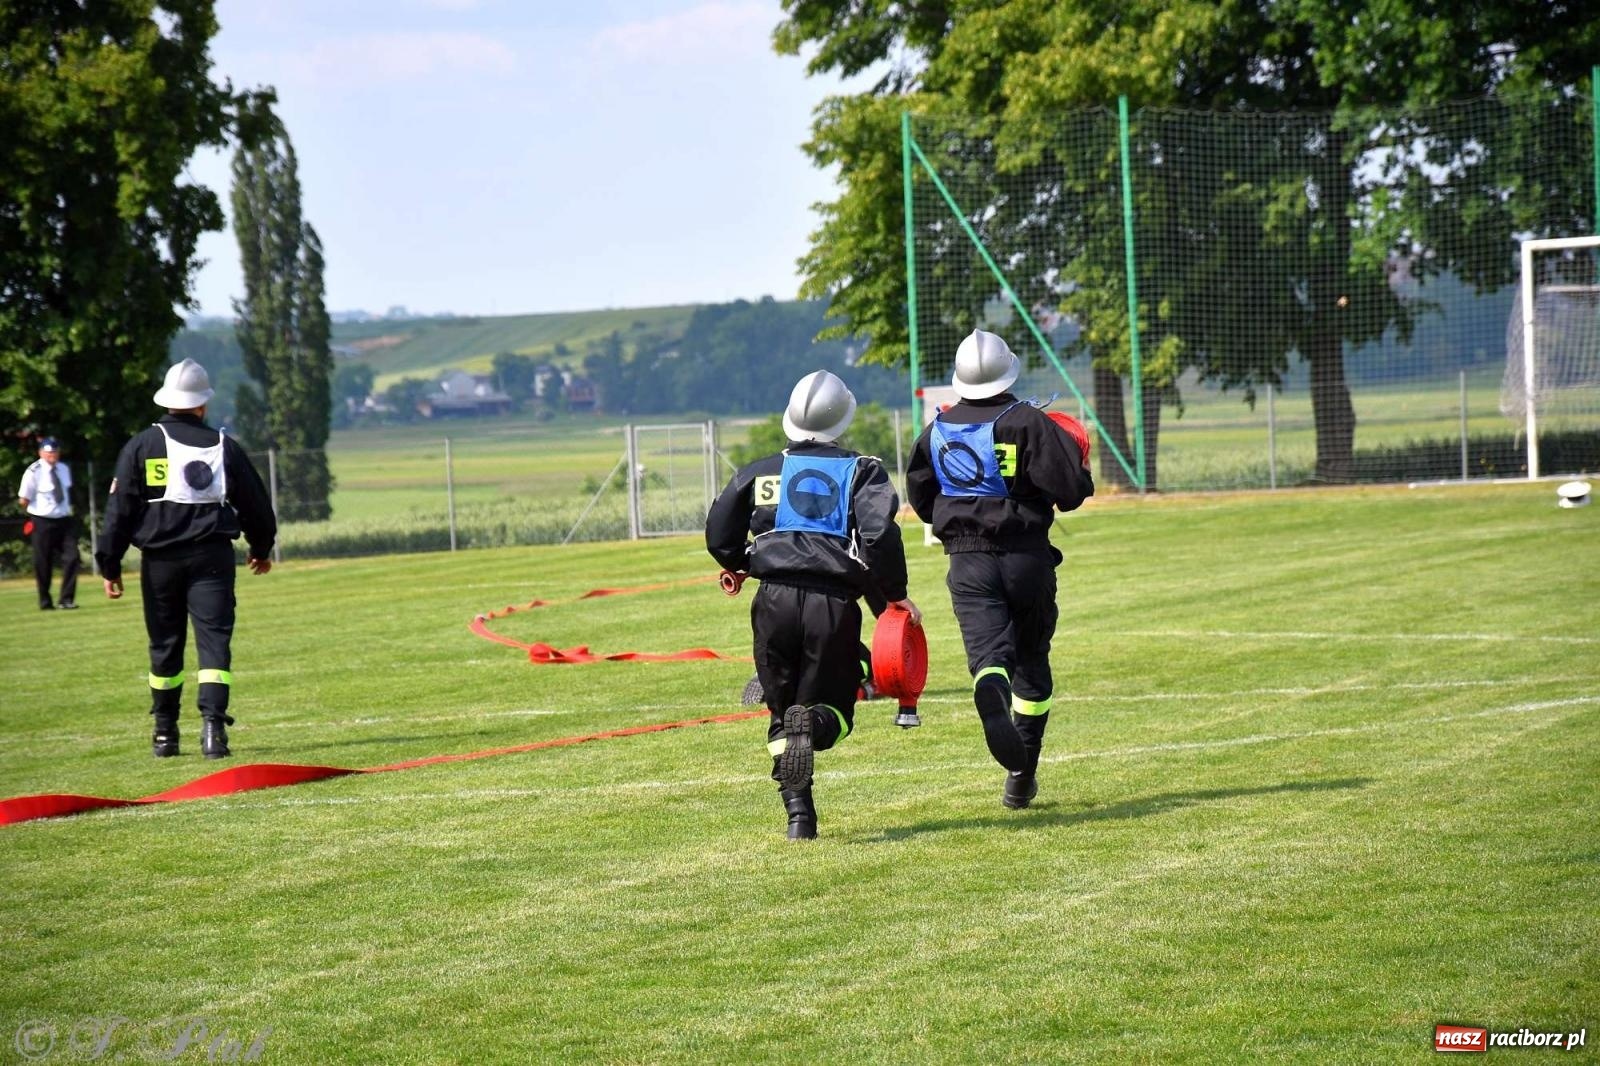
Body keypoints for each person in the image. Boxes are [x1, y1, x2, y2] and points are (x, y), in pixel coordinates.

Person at [706, 370, 919, 840]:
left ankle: (799, 818)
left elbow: (719, 532)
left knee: (781, 712)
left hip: (773, 601)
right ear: (843, 418)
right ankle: (816, 724)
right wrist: (895, 594)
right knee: (837, 711)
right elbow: (880, 535)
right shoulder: (862, 470)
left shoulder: (760, 470)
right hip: (833, 602)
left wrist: (740, 562)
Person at [906, 329, 1094, 809]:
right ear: (1008, 373)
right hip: (1026, 556)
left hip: (966, 561)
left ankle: (991, 688)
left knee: (990, 657)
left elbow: (922, 499)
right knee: (1031, 660)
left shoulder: (937, 429)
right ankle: (1020, 775)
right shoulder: (1029, 422)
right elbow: (1070, 492)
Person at [95, 359, 278, 760]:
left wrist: (109, 564)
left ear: (167, 400)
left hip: (159, 563)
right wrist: (261, 548)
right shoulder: (224, 446)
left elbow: (119, 512)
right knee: (214, 644)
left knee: (165, 644)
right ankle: (214, 731)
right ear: (202, 404)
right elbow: (256, 504)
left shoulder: (141, 446)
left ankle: (165, 734)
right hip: (212, 559)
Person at [16, 437, 82, 610]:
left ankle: (66, 599)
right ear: (41, 453)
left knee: (73, 557)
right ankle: (45, 601)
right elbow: (23, 499)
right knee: (43, 562)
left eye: (55, 452)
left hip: (63, 520)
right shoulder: (33, 471)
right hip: (42, 520)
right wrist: (35, 514)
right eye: (48, 452)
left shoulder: (63, 469)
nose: (52, 455)